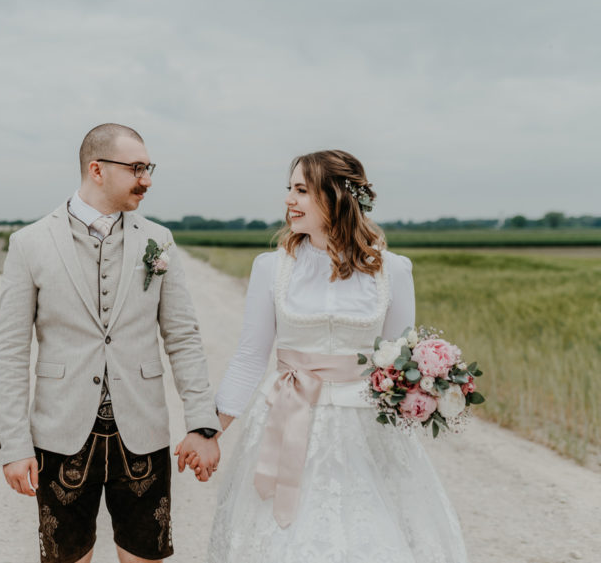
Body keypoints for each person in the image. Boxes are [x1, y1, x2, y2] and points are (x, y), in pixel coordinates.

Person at [200, 149, 469, 562]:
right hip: (284, 419)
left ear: (336, 198)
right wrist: (208, 432)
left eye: (302, 190)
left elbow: (399, 360)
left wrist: (428, 387)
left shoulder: (393, 270)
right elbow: (250, 358)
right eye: (289, 189)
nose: (289, 199)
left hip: (366, 433)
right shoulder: (271, 268)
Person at [0, 123, 221, 563]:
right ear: (96, 170)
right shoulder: (29, 244)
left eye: (148, 168)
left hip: (143, 431)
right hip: (60, 434)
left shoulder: (159, 240)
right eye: (137, 168)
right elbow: (10, 353)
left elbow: (183, 338)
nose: (147, 179)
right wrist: (15, 445)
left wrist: (201, 422)